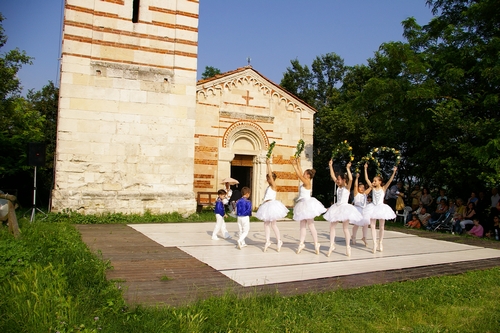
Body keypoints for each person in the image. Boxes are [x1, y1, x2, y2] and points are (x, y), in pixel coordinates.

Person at [323, 160, 363, 257]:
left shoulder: (347, 187)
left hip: (345, 208)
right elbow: (332, 176)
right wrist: (330, 166)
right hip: (337, 207)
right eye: (337, 179)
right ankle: (332, 245)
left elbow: (350, 179)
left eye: (339, 179)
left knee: (345, 228)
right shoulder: (338, 186)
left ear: (343, 180)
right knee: (332, 226)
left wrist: (348, 169)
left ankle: (348, 246)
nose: (337, 180)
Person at [291, 157, 326, 255]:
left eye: (305, 173)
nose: (303, 174)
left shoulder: (307, 182)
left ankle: (316, 243)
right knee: (302, 225)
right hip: (302, 204)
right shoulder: (304, 181)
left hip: (307, 204)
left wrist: (294, 166)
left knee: (310, 225)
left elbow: (299, 175)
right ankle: (301, 243)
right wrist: (298, 163)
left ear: (308, 175)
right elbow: (301, 172)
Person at [255, 159, 288, 252]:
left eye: (268, 178)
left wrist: (268, 164)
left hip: (272, 205)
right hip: (266, 205)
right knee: (266, 224)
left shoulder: (274, 185)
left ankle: (279, 240)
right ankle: (267, 240)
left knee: (273, 224)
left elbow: (270, 174)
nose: (267, 179)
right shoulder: (268, 187)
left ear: (271, 178)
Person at [364, 163, 397, 253]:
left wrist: (394, 172)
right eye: (373, 181)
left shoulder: (383, 188)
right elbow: (366, 179)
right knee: (373, 225)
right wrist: (365, 169)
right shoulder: (373, 188)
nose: (373, 182)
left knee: (382, 226)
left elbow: (390, 181)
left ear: (380, 182)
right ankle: (375, 243)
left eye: (375, 181)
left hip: (381, 207)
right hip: (373, 207)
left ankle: (380, 242)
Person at [351, 172, 372, 247]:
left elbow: (371, 187)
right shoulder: (356, 193)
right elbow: (355, 185)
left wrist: (372, 183)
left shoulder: (365, 194)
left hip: (364, 210)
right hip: (357, 209)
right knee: (357, 224)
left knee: (366, 224)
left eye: (363, 187)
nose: (362, 189)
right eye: (361, 187)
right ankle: (353, 236)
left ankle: (364, 237)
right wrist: (356, 178)